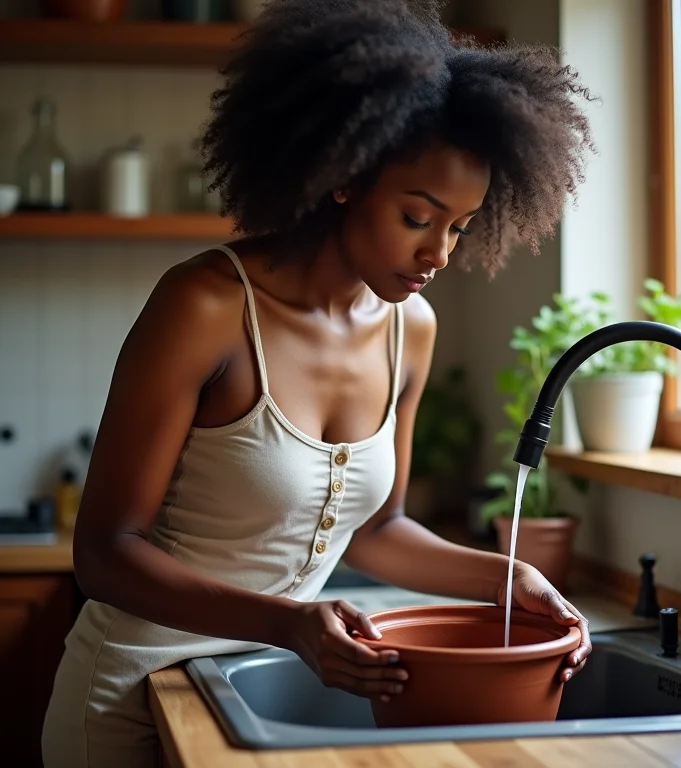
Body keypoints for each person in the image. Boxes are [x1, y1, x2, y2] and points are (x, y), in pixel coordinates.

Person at [42, 1, 596, 765]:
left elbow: (379, 530)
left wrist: (514, 577)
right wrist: (289, 622)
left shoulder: (411, 328)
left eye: (460, 227)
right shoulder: (206, 306)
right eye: (418, 217)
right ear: (344, 179)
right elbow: (104, 553)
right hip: (131, 692)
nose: (439, 253)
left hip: (254, 682)